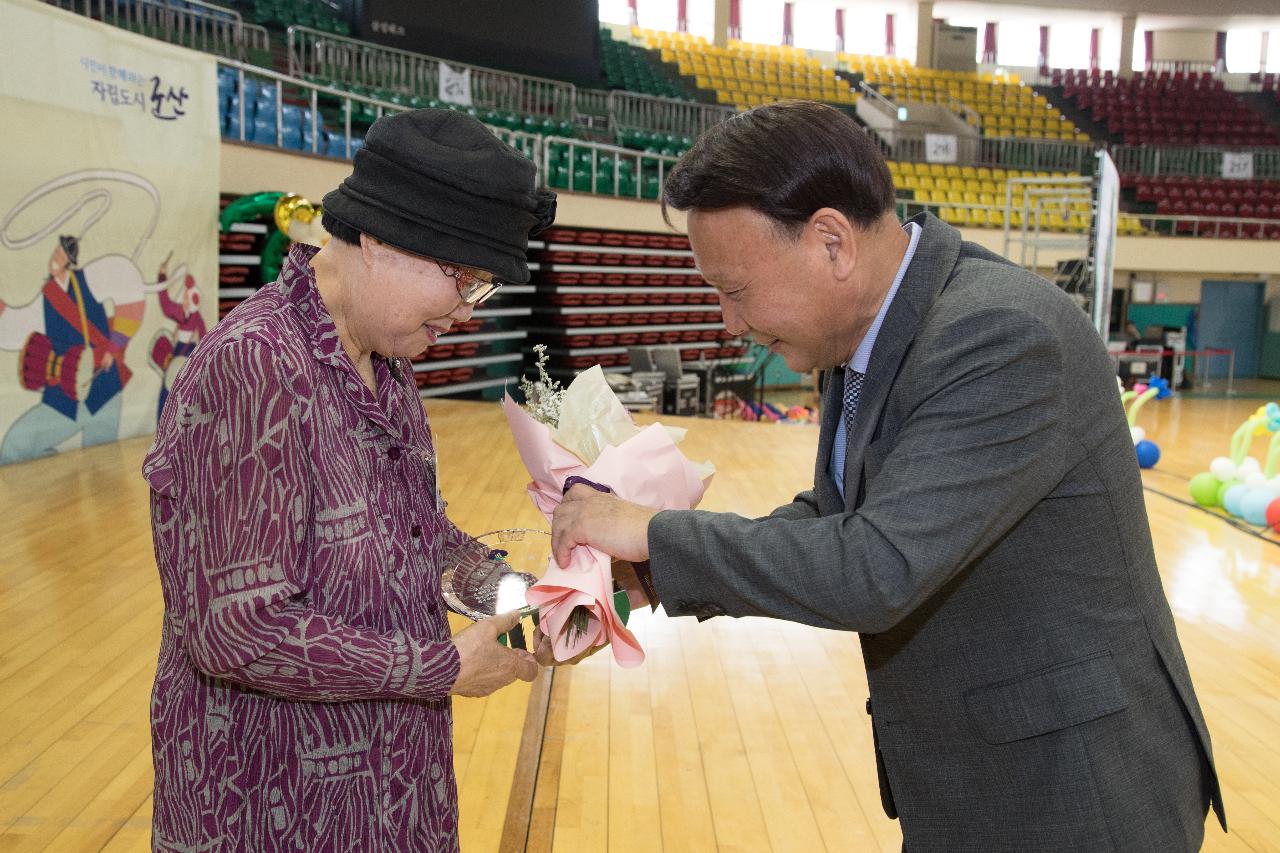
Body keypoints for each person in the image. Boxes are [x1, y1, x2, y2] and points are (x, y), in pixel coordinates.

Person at [550, 101, 1225, 852]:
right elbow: (835, 513)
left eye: (734, 290)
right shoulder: (873, 332)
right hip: (980, 779)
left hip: (1073, 795)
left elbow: (879, 564)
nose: (728, 324)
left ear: (831, 241)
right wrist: (659, 566)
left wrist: (651, 529)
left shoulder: (999, 333)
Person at [141, 108, 554, 851]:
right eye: (463, 280)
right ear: (378, 239)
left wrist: (532, 597)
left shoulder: (386, 361)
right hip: (269, 808)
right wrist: (441, 665)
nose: (466, 311)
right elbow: (235, 630)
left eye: (482, 289)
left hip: (393, 799)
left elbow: (420, 543)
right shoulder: (256, 366)